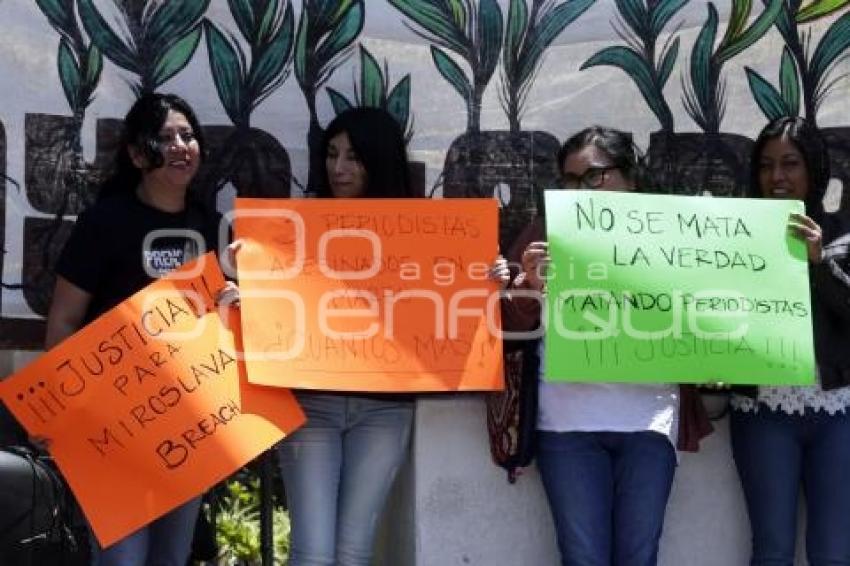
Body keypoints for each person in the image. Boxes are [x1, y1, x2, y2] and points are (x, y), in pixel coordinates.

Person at [275, 106, 508, 566]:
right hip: (311, 405)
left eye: (354, 158)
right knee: (313, 551)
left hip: (385, 409)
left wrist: (490, 276)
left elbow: (453, 295)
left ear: (378, 163)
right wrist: (253, 277)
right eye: (332, 154)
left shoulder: (419, 229)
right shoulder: (293, 227)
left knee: (353, 550)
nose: (338, 168)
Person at [502, 126, 711, 566]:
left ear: (630, 178)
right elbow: (508, 326)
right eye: (570, 180)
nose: (581, 190)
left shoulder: (672, 234)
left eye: (594, 176)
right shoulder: (544, 233)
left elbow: (706, 316)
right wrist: (532, 289)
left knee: (639, 556)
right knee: (583, 558)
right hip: (566, 422)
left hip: (648, 419)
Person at [45, 92, 220, 566]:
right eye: (166, 138)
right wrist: (61, 411)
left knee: (172, 557)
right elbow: (63, 318)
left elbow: (216, 316)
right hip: (112, 425)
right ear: (138, 154)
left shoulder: (208, 222)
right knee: (121, 559)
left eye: (188, 135)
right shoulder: (105, 222)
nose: (182, 145)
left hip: (186, 423)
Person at [730, 116, 850, 565]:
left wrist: (820, 262)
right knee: (773, 549)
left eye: (790, 163)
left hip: (837, 413)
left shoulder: (842, 234)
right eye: (765, 166)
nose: (776, 177)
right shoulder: (733, 236)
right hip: (763, 413)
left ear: (814, 169)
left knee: (835, 552)